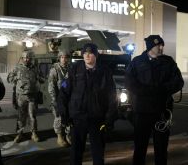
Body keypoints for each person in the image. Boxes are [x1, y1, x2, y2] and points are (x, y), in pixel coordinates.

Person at [125, 35, 184, 165]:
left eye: (162, 45)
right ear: (151, 47)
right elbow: (129, 82)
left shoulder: (168, 62)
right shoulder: (137, 61)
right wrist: (144, 92)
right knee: (140, 148)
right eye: (159, 45)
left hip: (162, 111)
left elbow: (178, 82)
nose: (162, 47)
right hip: (142, 112)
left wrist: (162, 90)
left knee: (161, 149)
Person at [58, 43, 116, 165]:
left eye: (90, 53)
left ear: (96, 55)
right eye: (84, 53)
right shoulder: (74, 69)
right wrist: (64, 115)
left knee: (98, 153)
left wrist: (109, 119)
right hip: (78, 118)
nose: (87, 56)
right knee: (76, 152)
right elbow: (63, 92)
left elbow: (112, 96)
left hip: (97, 119)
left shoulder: (104, 71)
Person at [7, 50, 44, 143]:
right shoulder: (17, 68)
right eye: (24, 58)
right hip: (21, 96)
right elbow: (9, 79)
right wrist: (17, 78)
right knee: (21, 116)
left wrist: (39, 79)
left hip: (32, 96)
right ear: (22, 58)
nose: (26, 59)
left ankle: (34, 133)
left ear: (31, 58)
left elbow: (42, 78)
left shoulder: (35, 68)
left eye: (28, 58)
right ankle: (19, 134)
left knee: (32, 116)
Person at [48, 49, 71, 147]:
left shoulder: (71, 68)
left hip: (69, 97)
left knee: (69, 116)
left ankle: (68, 135)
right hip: (59, 97)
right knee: (59, 117)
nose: (64, 59)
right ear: (59, 58)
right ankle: (59, 136)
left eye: (66, 57)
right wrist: (54, 99)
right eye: (62, 57)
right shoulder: (55, 69)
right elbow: (51, 86)